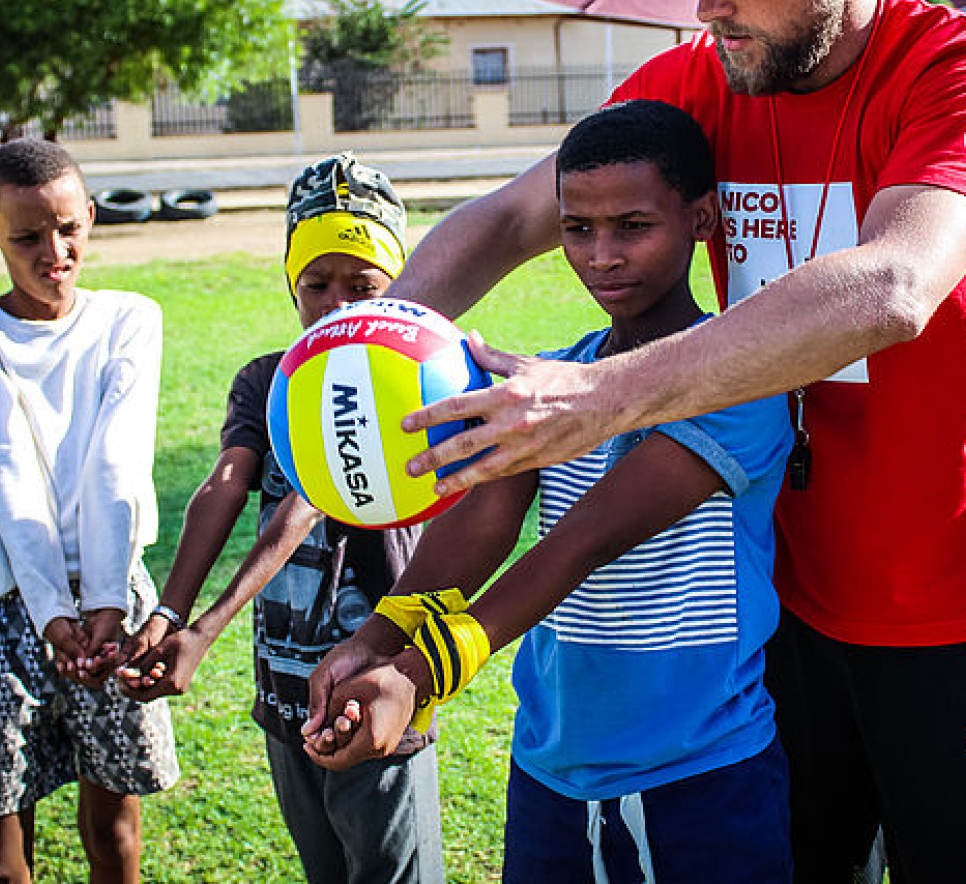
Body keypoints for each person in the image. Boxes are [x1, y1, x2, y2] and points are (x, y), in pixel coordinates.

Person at [347, 0, 966, 884]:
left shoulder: (942, 70)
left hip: (946, 608)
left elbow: (894, 286)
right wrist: (354, 352)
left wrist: (603, 398)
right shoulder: (707, 73)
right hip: (782, 617)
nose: (714, 7)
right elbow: (503, 220)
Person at [302, 100, 795, 884]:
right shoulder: (545, 379)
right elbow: (485, 516)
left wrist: (419, 676)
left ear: (702, 218)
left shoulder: (742, 388)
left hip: (702, 776)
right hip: (549, 773)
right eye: (577, 228)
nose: (602, 255)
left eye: (633, 226)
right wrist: (379, 637)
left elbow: (581, 544)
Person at [117, 153, 445, 884]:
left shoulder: (413, 374)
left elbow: (305, 501)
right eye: (315, 285)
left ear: (398, 287)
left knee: (391, 871)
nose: (335, 305)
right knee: (323, 867)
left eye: (361, 286)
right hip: (285, 689)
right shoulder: (270, 379)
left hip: (378, 684)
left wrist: (204, 629)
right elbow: (225, 485)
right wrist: (170, 610)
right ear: (288, 284)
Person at [0, 138, 179, 884]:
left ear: (92, 218)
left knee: (115, 835)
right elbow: (12, 480)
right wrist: (52, 613)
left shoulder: (128, 319)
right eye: (27, 237)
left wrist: (106, 601)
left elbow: (116, 462)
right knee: (9, 855)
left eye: (69, 228)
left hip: (115, 597)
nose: (55, 251)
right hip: (12, 603)